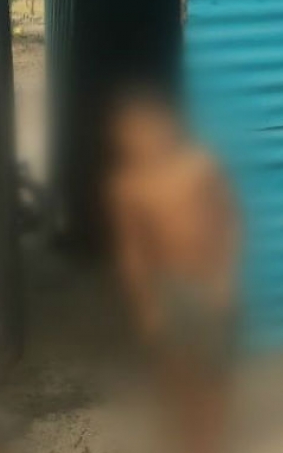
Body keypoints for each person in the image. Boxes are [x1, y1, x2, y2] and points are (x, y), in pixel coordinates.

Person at [106, 83, 241, 453]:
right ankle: (187, 437)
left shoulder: (199, 167)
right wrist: (147, 305)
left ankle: (213, 438)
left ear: (167, 127)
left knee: (214, 369)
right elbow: (132, 252)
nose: (143, 139)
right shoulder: (128, 188)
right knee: (176, 371)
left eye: (149, 128)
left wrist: (224, 277)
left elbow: (228, 220)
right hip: (169, 287)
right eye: (132, 134)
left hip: (208, 281)